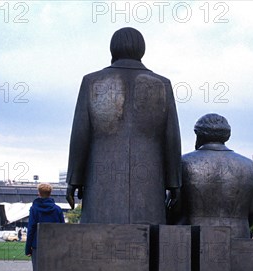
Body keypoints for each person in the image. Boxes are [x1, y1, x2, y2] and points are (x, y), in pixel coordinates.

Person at [66, 27, 181, 225]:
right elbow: (171, 137)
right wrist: (174, 182)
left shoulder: (92, 82)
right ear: (141, 50)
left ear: (113, 49)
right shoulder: (162, 85)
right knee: (147, 242)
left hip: (100, 176)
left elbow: (80, 134)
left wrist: (74, 178)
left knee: (99, 240)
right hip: (149, 179)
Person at [175, 113, 253, 238]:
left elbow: (174, 207)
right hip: (237, 238)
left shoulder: (184, 162)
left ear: (198, 135)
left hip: (193, 240)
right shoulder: (247, 165)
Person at [25, 183, 65, 271]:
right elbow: (63, 230)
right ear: (50, 193)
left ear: (39, 193)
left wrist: (28, 248)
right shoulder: (57, 209)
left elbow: (31, 229)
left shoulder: (34, 209)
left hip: (37, 245)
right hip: (54, 246)